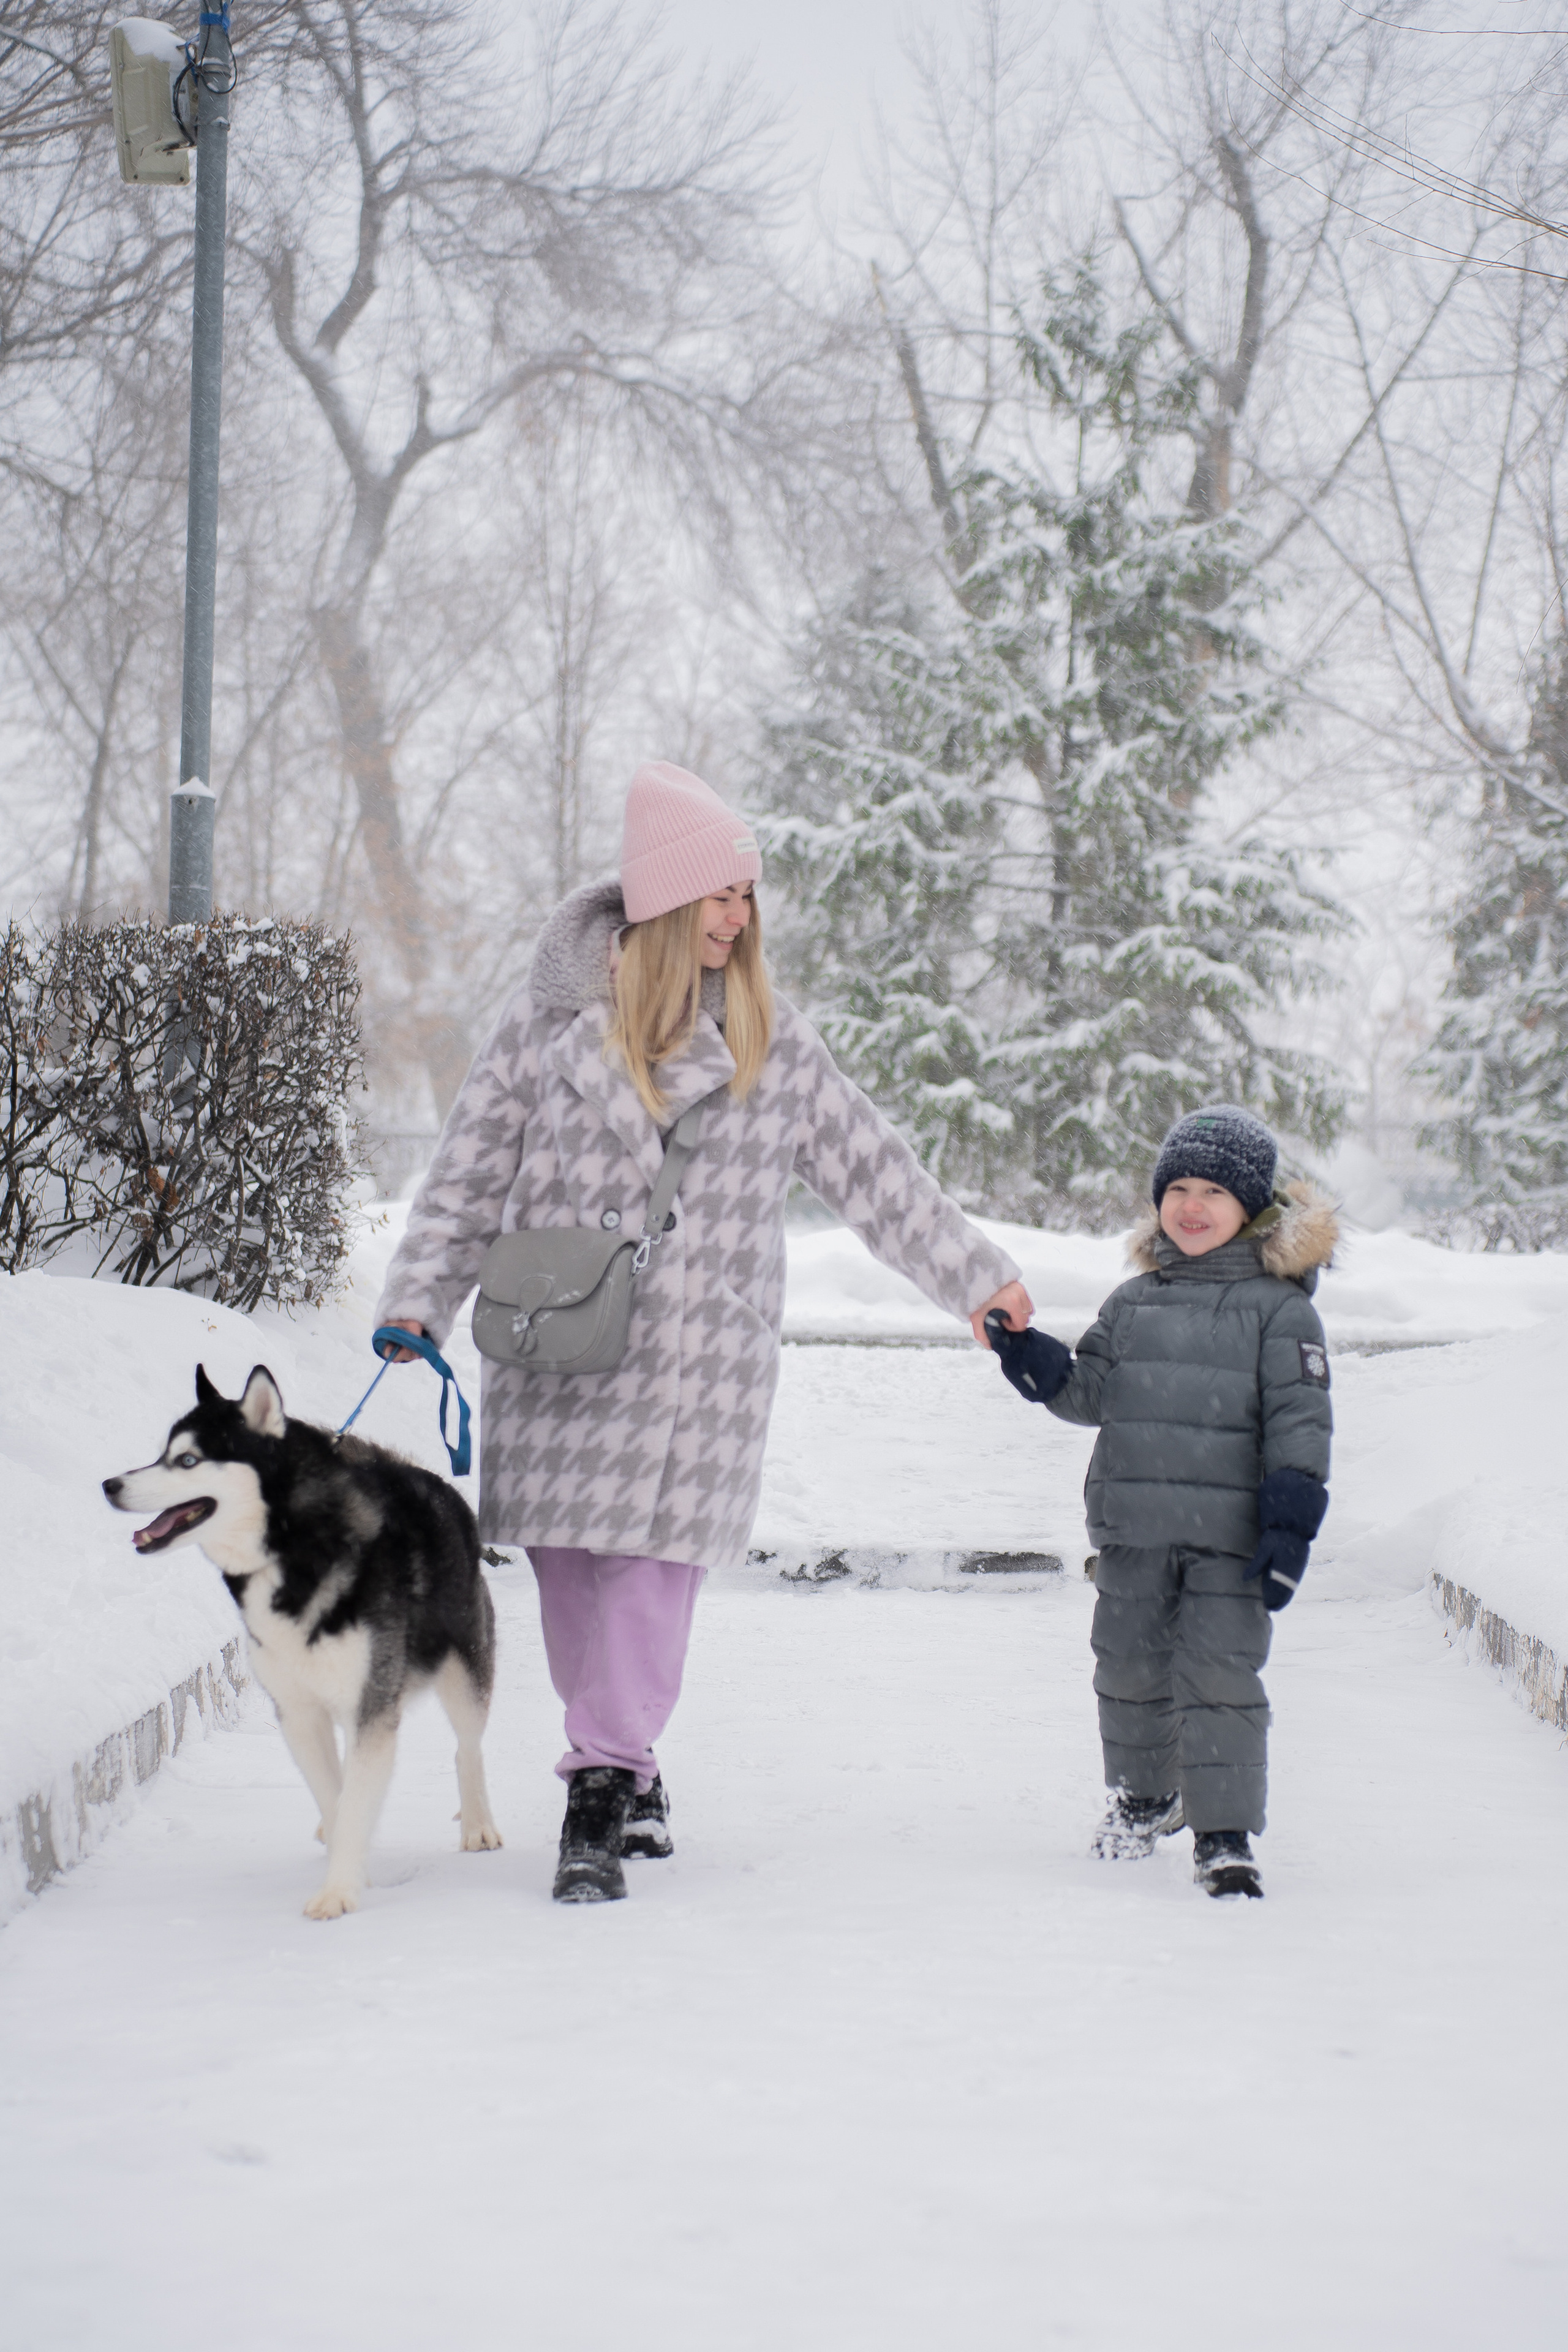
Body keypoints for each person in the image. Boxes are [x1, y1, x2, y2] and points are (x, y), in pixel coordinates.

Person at [377, 761, 1031, 1903]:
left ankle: (599, 1779)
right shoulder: (544, 1033)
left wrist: (977, 1282)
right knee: (574, 1577)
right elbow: (466, 1177)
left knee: (648, 1578)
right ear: (665, 905)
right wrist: (416, 1299)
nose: (739, 917)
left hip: (696, 1360)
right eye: (721, 896)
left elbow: (879, 1175)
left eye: (749, 899)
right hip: (558, 1350)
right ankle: (630, 1763)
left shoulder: (773, 1045)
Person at [984, 1106, 1335, 1899]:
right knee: (1129, 1672)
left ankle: (1223, 1834)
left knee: (1221, 1680)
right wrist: (1034, 1362)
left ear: (1254, 1207)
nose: (1192, 1203)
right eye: (1177, 1186)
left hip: (1232, 1542)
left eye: (1214, 1188)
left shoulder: (1281, 1312)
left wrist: (1289, 1523)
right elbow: (1091, 1391)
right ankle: (1144, 1799)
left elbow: (1300, 1423)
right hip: (1135, 1533)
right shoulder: (1135, 1302)